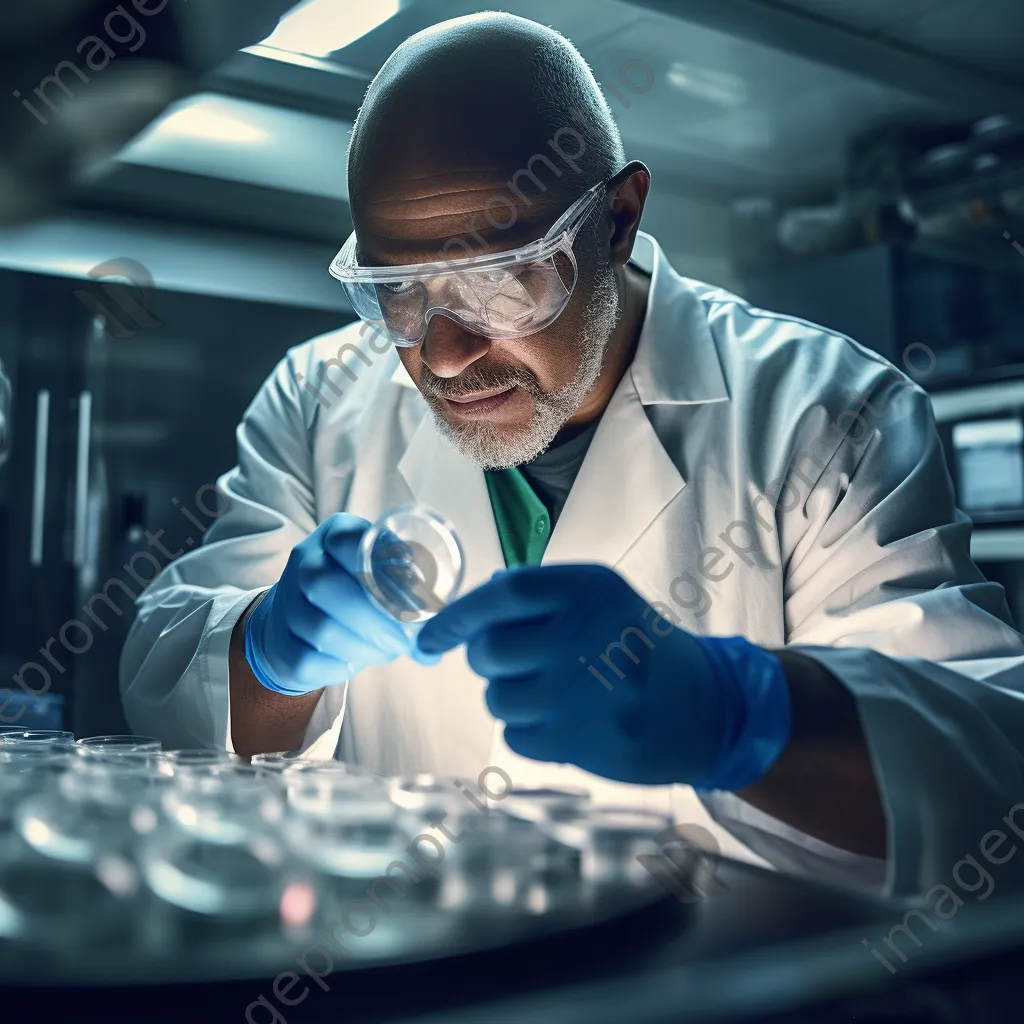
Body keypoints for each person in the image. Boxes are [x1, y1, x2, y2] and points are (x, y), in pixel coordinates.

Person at [121, 13, 1024, 896]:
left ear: (619, 219)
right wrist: (269, 649)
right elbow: (170, 689)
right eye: (398, 294)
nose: (440, 356)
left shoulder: (830, 413)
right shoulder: (318, 397)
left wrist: (740, 712)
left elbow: (987, 783)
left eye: (501, 280)